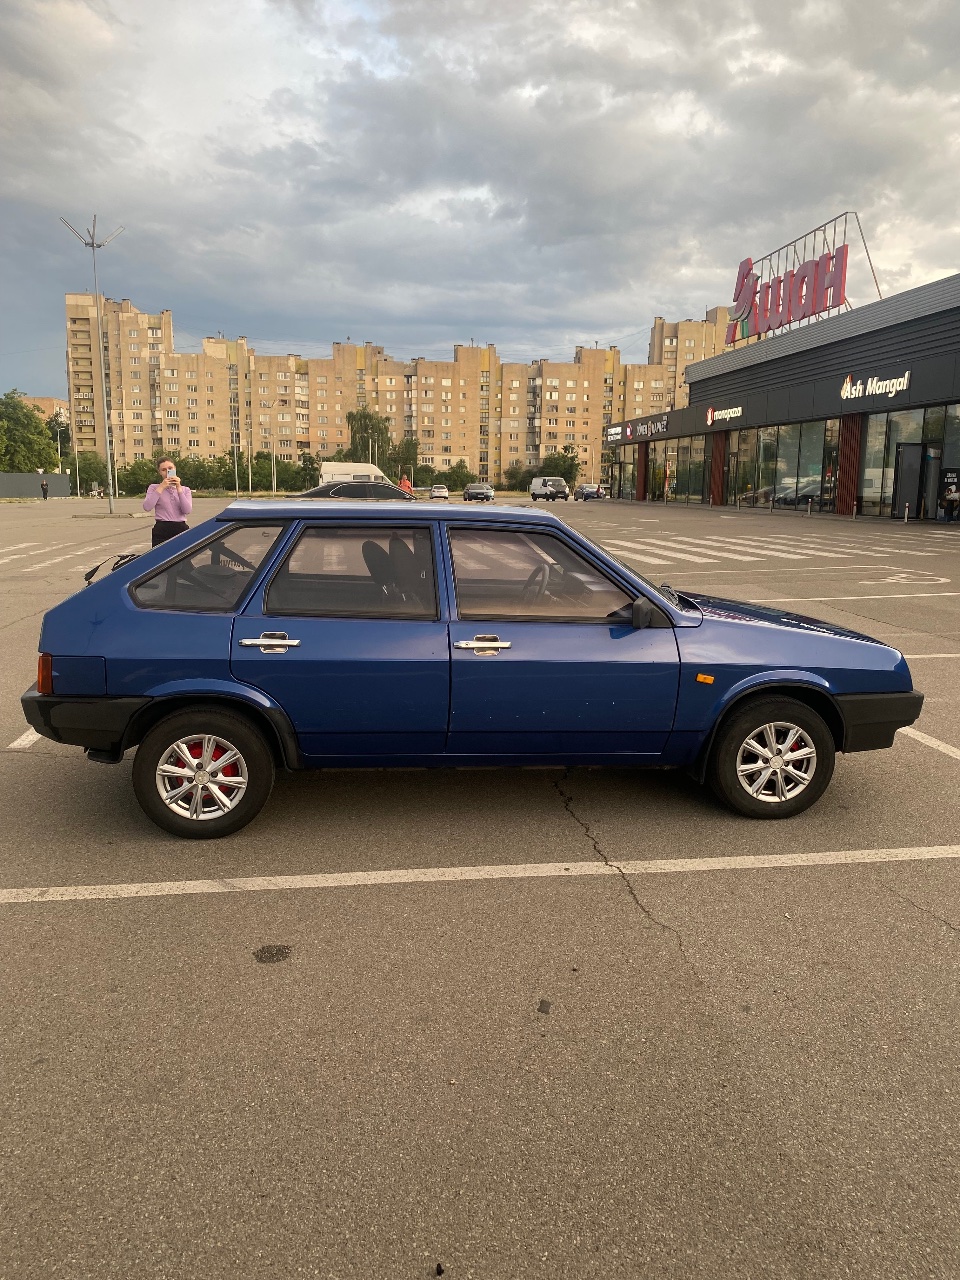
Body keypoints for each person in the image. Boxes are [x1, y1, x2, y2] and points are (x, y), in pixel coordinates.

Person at [143, 458, 193, 547]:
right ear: (160, 472)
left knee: (183, 558)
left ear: (175, 469)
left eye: (170, 468)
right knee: (160, 558)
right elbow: (147, 507)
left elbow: (187, 510)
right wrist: (161, 487)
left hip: (180, 528)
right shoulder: (154, 487)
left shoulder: (185, 489)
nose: (167, 472)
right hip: (162, 529)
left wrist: (179, 489)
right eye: (163, 470)